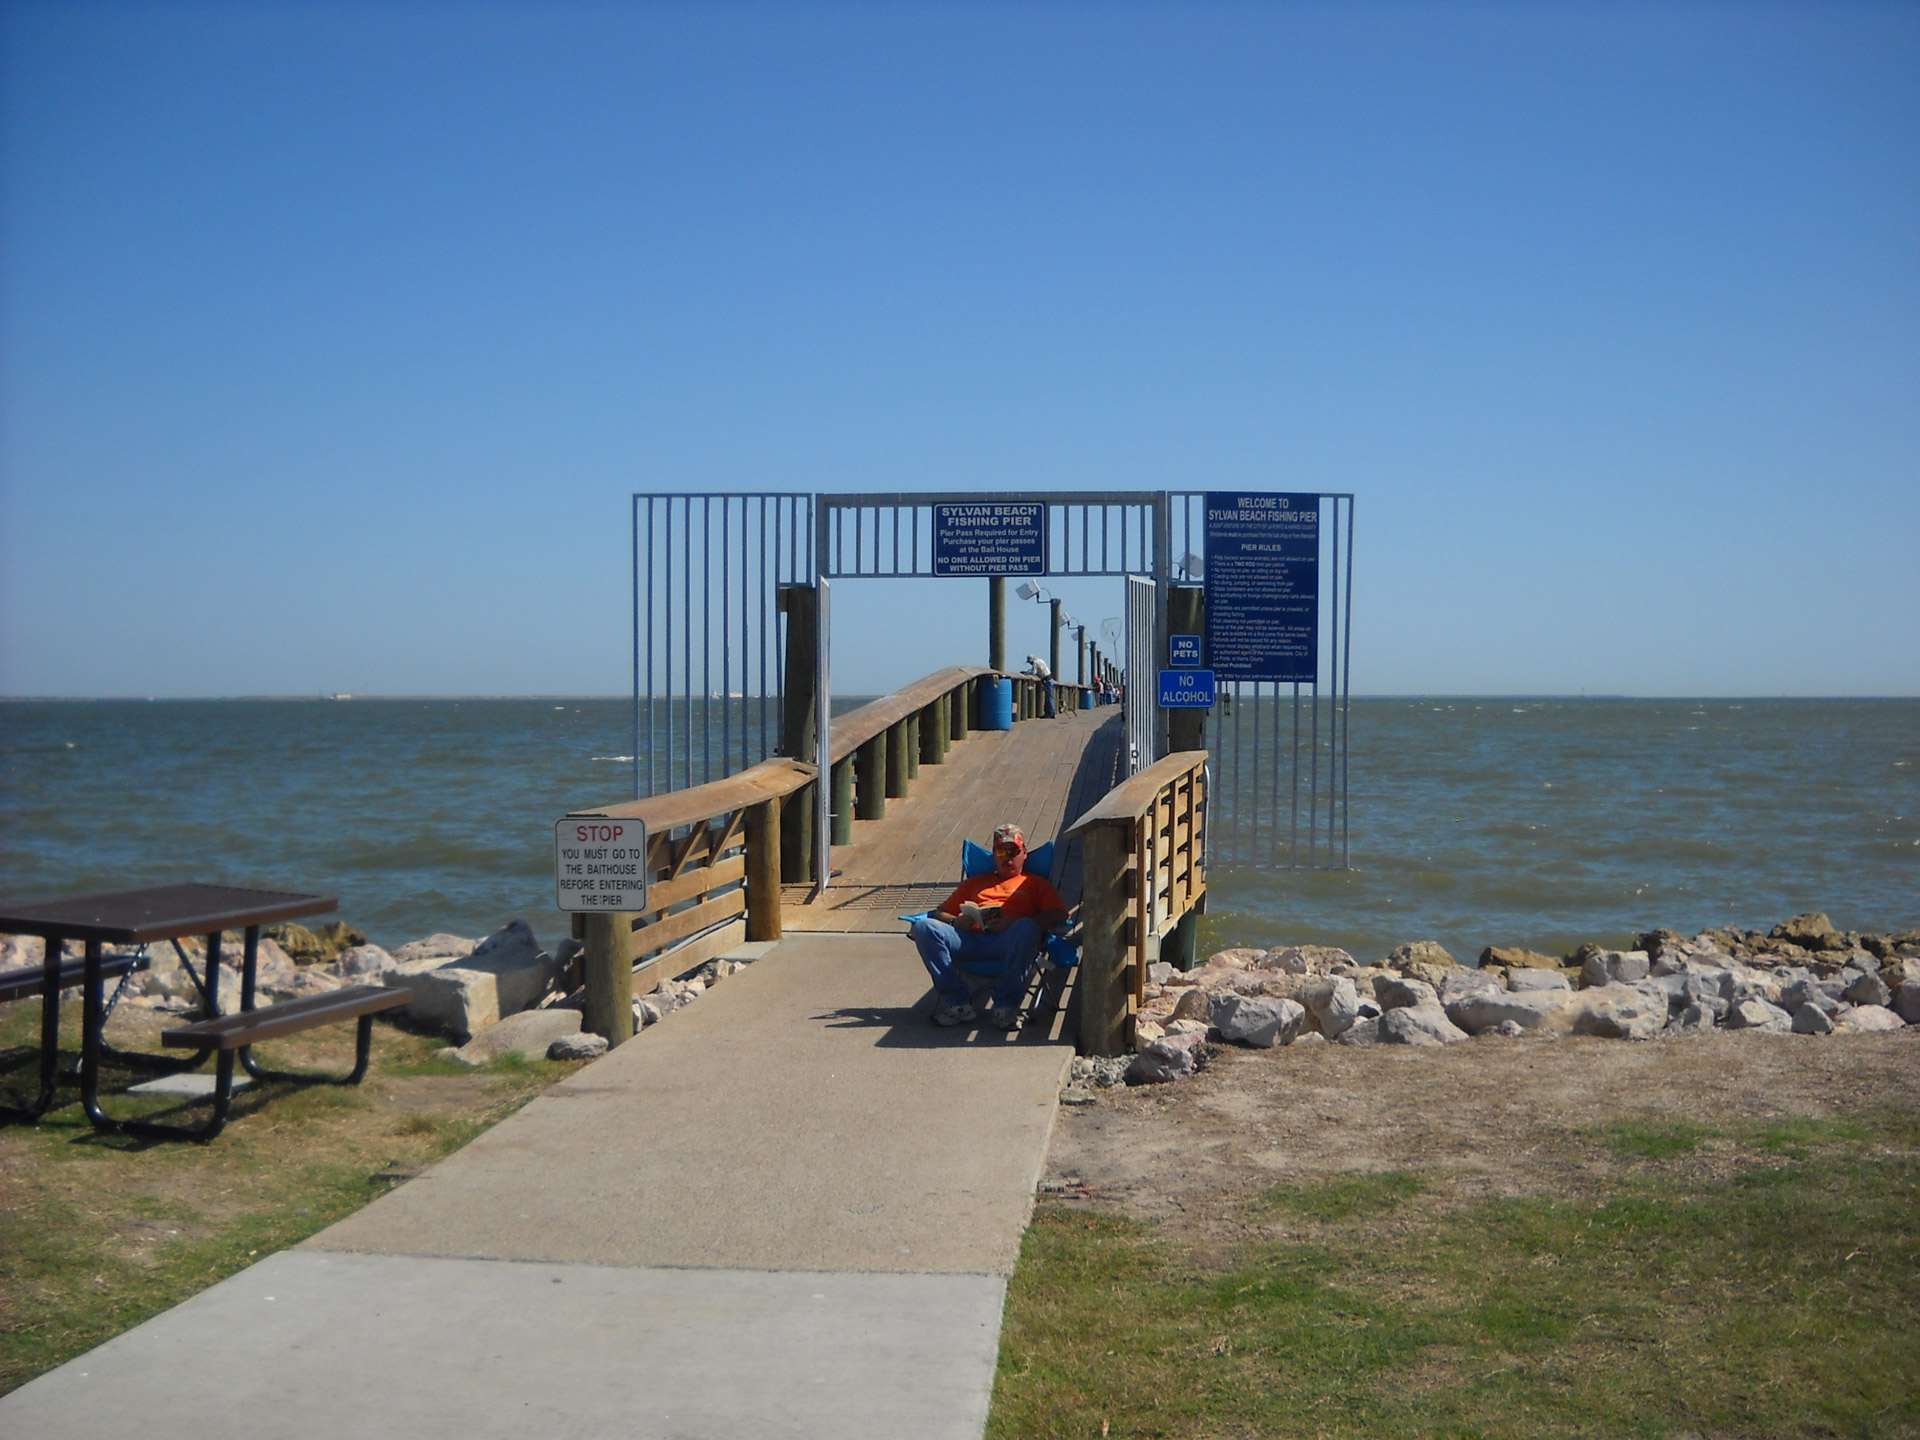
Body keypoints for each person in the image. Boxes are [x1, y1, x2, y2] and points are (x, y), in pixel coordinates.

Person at [909, 822, 1069, 1030]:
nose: (1008, 857)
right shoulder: (975, 882)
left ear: (1025, 854)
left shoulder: (1035, 883)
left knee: (1026, 928)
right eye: (1001, 851)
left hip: (1011, 942)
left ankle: (1005, 1006)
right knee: (924, 927)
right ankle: (957, 1002)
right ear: (994, 855)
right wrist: (956, 921)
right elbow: (939, 912)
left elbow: (1059, 914)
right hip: (970, 939)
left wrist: (1014, 923)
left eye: (1014, 851)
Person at [1024, 653, 1056, 717]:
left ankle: (1051, 713)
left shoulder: (1035, 663)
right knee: (1049, 697)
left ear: (1031, 661)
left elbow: (1033, 672)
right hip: (1050, 679)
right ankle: (1049, 712)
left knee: (1049, 697)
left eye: (1030, 662)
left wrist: (1025, 673)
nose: (1030, 664)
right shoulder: (1041, 660)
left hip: (1047, 680)